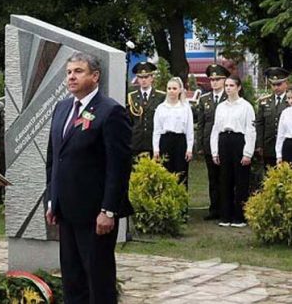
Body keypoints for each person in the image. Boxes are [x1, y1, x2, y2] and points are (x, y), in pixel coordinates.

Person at [45, 52, 133, 304]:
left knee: (98, 280)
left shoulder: (111, 111)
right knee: (73, 280)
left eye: (78, 71)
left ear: (95, 76)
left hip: (96, 214)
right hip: (67, 211)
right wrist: (52, 200)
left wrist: (108, 210)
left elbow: (118, 166)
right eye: (69, 72)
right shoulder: (62, 108)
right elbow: (54, 159)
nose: (71, 77)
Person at [210, 76, 255, 228]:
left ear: (238, 87)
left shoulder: (246, 106)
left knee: (241, 180)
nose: (228, 88)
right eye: (226, 85)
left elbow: (250, 130)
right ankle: (225, 215)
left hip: (238, 141)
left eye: (231, 85)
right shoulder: (221, 107)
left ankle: (240, 216)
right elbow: (216, 129)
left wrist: (248, 152)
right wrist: (215, 151)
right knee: (225, 179)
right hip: (224, 141)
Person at [195, 63, 229, 220]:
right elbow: (201, 124)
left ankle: (226, 208)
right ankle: (214, 208)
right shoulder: (204, 99)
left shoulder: (230, 97)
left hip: (225, 142)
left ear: (224, 80)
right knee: (212, 178)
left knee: (226, 177)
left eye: (218, 79)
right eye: (212, 79)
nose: (214, 82)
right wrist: (200, 145)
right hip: (209, 143)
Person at [153, 77, 194, 187]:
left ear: (180, 90)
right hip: (165, 141)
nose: (171, 91)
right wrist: (156, 149)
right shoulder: (161, 108)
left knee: (181, 172)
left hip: (180, 141)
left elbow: (190, 130)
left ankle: (181, 201)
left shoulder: (185, 108)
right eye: (169, 88)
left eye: (174, 88)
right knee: (165, 172)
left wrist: (189, 149)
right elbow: (156, 130)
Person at [127, 61, 165, 158]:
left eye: (146, 77)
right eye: (140, 77)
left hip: (154, 142)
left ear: (152, 78)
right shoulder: (132, 96)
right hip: (136, 142)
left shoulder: (161, 97)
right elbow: (129, 121)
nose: (143, 80)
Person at [255, 67, 290, 169]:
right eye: (273, 84)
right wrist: (259, 144)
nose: (276, 87)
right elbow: (260, 124)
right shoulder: (264, 102)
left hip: (286, 146)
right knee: (268, 175)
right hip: (268, 146)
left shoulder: (290, 101)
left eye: (279, 84)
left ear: (285, 83)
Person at [274, 87, 292, 164]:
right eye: (289, 98)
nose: (291, 101)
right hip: (288, 146)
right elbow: (280, 135)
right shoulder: (285, 113)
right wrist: (279, 155)